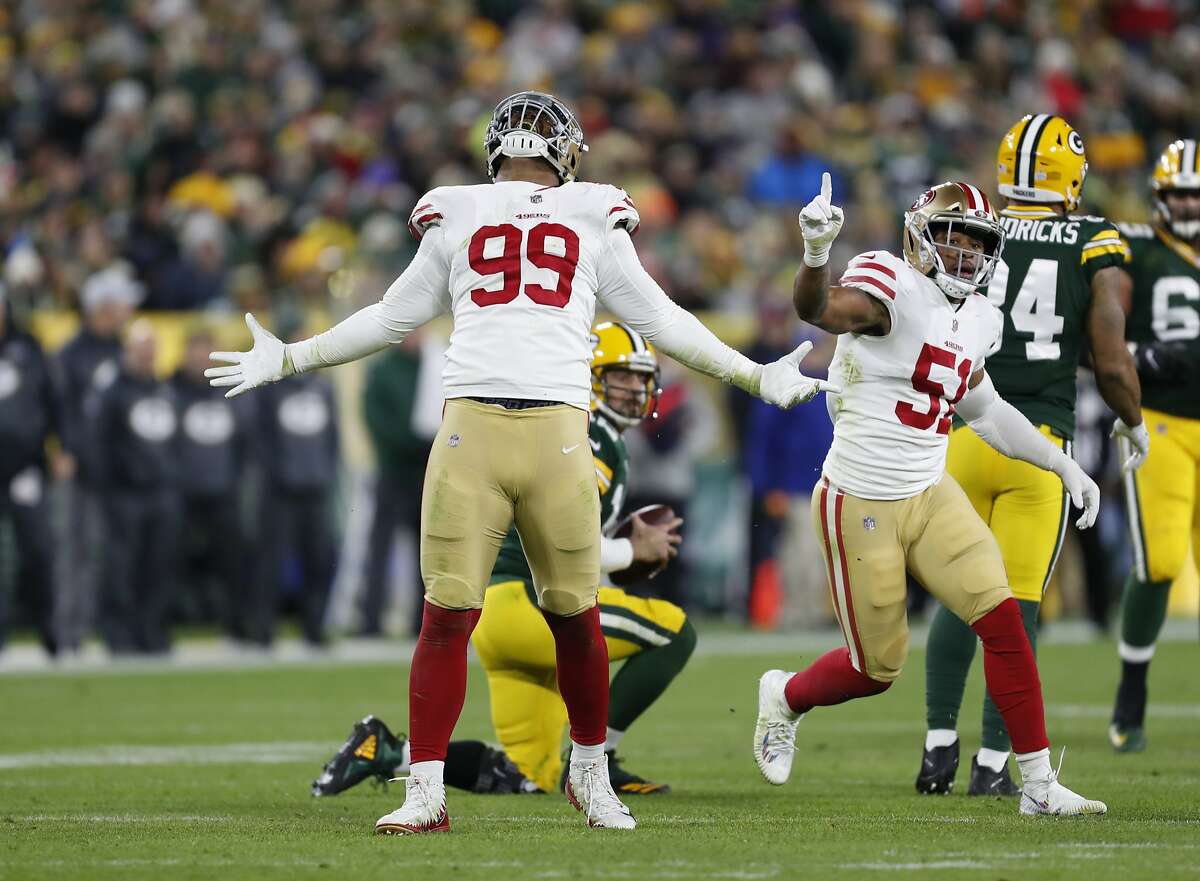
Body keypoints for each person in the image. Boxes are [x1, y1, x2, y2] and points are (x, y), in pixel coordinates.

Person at [207, 90, 829, 833]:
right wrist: (754, 375)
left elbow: (389, 318)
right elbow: (663, 320)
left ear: (494, 149)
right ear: (564, 151)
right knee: (577, 619)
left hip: (469, 431)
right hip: (558, 432)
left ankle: (429, 792)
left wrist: (291, 357)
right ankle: (588, 779)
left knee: (445, 620)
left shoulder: (456, 209)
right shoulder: (594, 209)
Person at [753, 174, 1108, 817]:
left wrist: (1063, 465)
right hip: (859, 501)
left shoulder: (977, 316)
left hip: (930, 490)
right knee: (875, 670)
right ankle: (786, 696)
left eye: (976, 243)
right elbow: (821, 310)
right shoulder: (890, 285)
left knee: (1004, 625)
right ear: (920, 234)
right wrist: (813, 254)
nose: (965, 254)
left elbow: (987, 410)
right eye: (952, 236)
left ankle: (1037, 786)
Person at [313, 323, 695, 799]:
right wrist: (631, 551)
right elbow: (568, 544)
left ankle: (388, 752)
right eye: (622, 376)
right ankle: (602, 761)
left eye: (642, 379)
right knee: (676, 632)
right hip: (528, 605)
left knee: (530, 773)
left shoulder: (589, 431)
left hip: (498, 617)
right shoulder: (588, 432)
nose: (636, 389)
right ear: (589, 374)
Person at [919, 115, 1146, 796]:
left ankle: (936, 748)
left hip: (962, 433)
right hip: (1038, 447)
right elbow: (1110, 359)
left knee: (958, 600)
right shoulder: (1093, 238)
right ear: (1071, 173)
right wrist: (1132, 421)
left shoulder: (974, 225)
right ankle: (993, 762)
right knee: (1013, 608)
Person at [1109, 139, 1200, 753]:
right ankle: (1130, 698)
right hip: (1161, 421)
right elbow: (1096, 317)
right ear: (1159, 198)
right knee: (1161, 563)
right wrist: (1132, 356)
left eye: (1196, 193)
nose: (1189, 203)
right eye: (1179, 193)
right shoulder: (1136, 248)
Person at [55, 263, 139, 651]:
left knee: (106, 554)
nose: (127, 311)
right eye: (121, 304)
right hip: (77, 469)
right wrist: (64, 450)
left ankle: (95, 628)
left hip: (114, 470)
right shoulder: (71, 354)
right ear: (101, 306)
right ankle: (66, 630)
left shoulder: (120, 352)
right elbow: (61, 409)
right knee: (72, 553)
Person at [253, 318, 340, 647]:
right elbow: (260, 437)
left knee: (318, 558)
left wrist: (326, 472)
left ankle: (314, 627)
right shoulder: (270, 387)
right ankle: (263, 628)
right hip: (280, 489)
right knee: (271, 561)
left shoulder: (323, 387)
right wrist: (277, 472)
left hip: (315, 486)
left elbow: (333, 437)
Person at [94, 319, 179, 654]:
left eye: (150, 349)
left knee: (159, 565)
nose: (147, 355)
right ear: (128, 351)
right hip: (126, 492)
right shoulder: (114, 391)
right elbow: (100, 442)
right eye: (141, 348)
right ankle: (120, 634)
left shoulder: (164, 389)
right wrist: (112, 483)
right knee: (123, 567)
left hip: (162, 491)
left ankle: (154, 632)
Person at [171, 325, 255, 642]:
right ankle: (166, 624)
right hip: (182, 491)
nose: (200, 359)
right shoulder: (170, 389)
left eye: (207, 351)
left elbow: (245, 439)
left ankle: (237, 625)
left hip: (223, 490)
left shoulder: (231, 390)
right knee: (171, 559)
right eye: (195, 350)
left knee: (233, 562)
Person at [0, 285, 61, 656]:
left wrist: (61, 446)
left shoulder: (28, 349)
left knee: (38, 553)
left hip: (25, 471)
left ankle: (49, 630)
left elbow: (53, 399)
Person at [359, 334, 433, 638]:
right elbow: (375, 419)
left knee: (427, 551)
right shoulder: (382, 370)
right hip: (392, 471)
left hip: (424, 473)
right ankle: (370, 620)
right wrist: (413, 441)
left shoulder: (433, 366)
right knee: (380, 547)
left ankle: (423, 619)